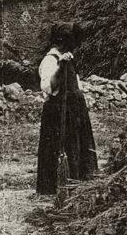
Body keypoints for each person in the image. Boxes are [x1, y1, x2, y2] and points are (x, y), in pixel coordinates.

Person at [36, 21, 98, 194]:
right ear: (62, 42)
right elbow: (48, 87)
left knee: (78, 147)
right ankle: (54, 188)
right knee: (56, 149)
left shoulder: (69, 57)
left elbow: (75, 84)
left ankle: (80, 182)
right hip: (57, 113)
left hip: (75, 112)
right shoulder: (50, 60)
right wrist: (60, 67)